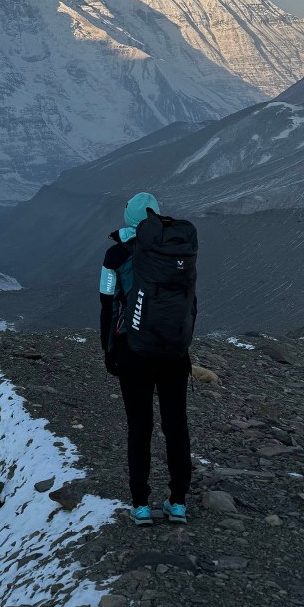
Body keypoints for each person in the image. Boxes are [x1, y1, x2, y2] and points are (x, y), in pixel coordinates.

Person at [99, 191, 193, 526]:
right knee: (176, 425)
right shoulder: (177, 251)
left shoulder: (115, 254)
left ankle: (141, 504)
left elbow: (107, 304)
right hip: (174, 352)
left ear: (130, 217)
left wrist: (109, 351)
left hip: (133, 352)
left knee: (140, 428)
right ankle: (178, 501)